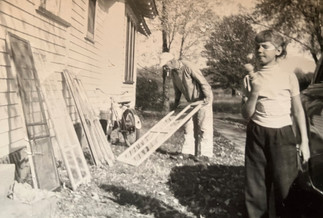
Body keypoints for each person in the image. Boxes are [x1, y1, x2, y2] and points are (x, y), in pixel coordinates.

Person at [241, 29, 310, 217]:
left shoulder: (288, 77)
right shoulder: (249, 78)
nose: (259, 50)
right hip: (256, 132)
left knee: (286, 186)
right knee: (256, 186)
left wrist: (304, 142)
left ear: (278, 51)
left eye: (265, 46)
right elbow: (246, 114)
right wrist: (254, 92)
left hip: (282, 134)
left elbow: (297, 111)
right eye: (257, 47)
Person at [159, 52, 214, 160]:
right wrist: (176, 104)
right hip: (191, 100)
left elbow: (203, 82)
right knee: (188, 126)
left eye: (166, 65)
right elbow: (177, 90)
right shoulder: (174, 73)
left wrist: (207, 97)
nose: (165, 68)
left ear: (172, 61)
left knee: (203, 126)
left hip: (203, 98)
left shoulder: (188, 66)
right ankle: (187, 152)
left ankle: (206, 155)